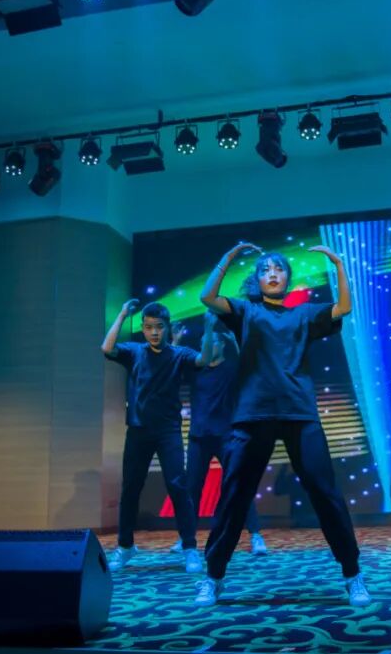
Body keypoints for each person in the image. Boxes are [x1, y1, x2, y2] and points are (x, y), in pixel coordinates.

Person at [195, 243, 370, 608]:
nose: (272, 274)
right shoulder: (246, 311)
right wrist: (227, 258)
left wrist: (338, 264)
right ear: (257, 280)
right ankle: (213, 577)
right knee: (234, 497)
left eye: (278, 269)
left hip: (299, 413)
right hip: (252, 415)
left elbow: (344, 307)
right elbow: (207, 297)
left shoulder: (303, 314)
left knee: (326, 493)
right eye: (265, 270)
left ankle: (352, 573)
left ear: (288, 278)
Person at [103, 300, 212, 574]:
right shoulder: (134, 351)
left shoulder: (178, 354)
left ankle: (189, 548)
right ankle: (125, 546)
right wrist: (122, 314)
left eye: (159, 327)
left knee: (178, 486)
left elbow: (203, 360)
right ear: (142, 328)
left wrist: (210, 328)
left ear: (167, 327)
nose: (154, 332)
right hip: (138, 430)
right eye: (149, 327)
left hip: (168, 431)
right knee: (131, 488)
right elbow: (106, 348)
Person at [170, 312, 268, 557]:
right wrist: (175, 342)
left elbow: (250, 365)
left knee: (239, 484)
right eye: (203, 341)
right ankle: (185, 538)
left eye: (211, 340)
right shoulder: (196, 370)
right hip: (198, 438)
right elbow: (171, 367)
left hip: (226, 437)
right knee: (191, 489)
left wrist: (234, 340)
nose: (205, 344)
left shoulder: (231, 369)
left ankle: (255, 535)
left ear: (221, 345)